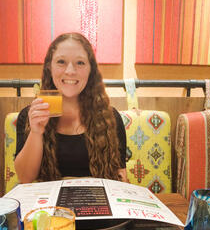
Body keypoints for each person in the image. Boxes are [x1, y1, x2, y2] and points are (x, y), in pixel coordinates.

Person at [14, 32, 127, 184]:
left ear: (90, 70)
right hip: (48, 205)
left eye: (80, 63)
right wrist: (36, 132)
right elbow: (25, 178)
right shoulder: (29, 115)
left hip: (95, 203)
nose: (70, 71)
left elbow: (120, 176)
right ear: (49, 67)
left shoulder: (110, 117)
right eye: (61, 61)